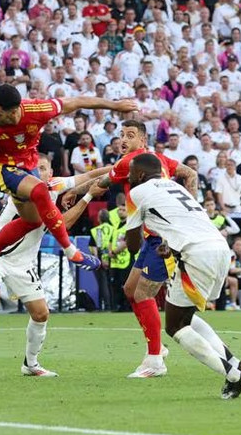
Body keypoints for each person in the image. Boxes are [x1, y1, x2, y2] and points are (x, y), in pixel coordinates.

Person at [0, 84, 134, 285]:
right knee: (41, 190)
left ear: (13, 111)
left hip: (28, 169)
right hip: (0, 169)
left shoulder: (37, 110)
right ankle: (72, 252)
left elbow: (78, 101)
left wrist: (114, 105)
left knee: (34, 221)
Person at [78, 120, 198, 378]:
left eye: (130, 136)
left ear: (142, 141)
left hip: (163, 238)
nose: (123, 140)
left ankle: (155, 360)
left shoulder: (130, 162)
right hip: (153, 235)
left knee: (143, 294)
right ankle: (157, 347)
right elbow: (191, 174)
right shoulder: (159, 158)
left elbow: (100, 182)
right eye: (121, 135)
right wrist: (191, 206)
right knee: (130, 289)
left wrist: (76, 194)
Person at [126, 153, 241, 399]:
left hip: (196, 253)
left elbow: (132, 244)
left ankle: (233, 375)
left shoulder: (137, 193)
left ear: (140, 174)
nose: (128, 176)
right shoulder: (174, 186)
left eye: (130, 172)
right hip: (218, 247)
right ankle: (236, 364)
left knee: (175, 326)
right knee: (186, 314)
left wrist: (139, 238)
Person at [0, 158, 108, 380]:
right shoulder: (23, 194)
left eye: (43, 168)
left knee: (41, 313)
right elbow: (61, 224)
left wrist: (121, 166)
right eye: (35, 169)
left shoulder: (53, 186)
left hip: (22, 263)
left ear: (51, 172)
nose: (39, 172)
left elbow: (88, 176)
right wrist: (88, 196)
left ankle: (31, 364)